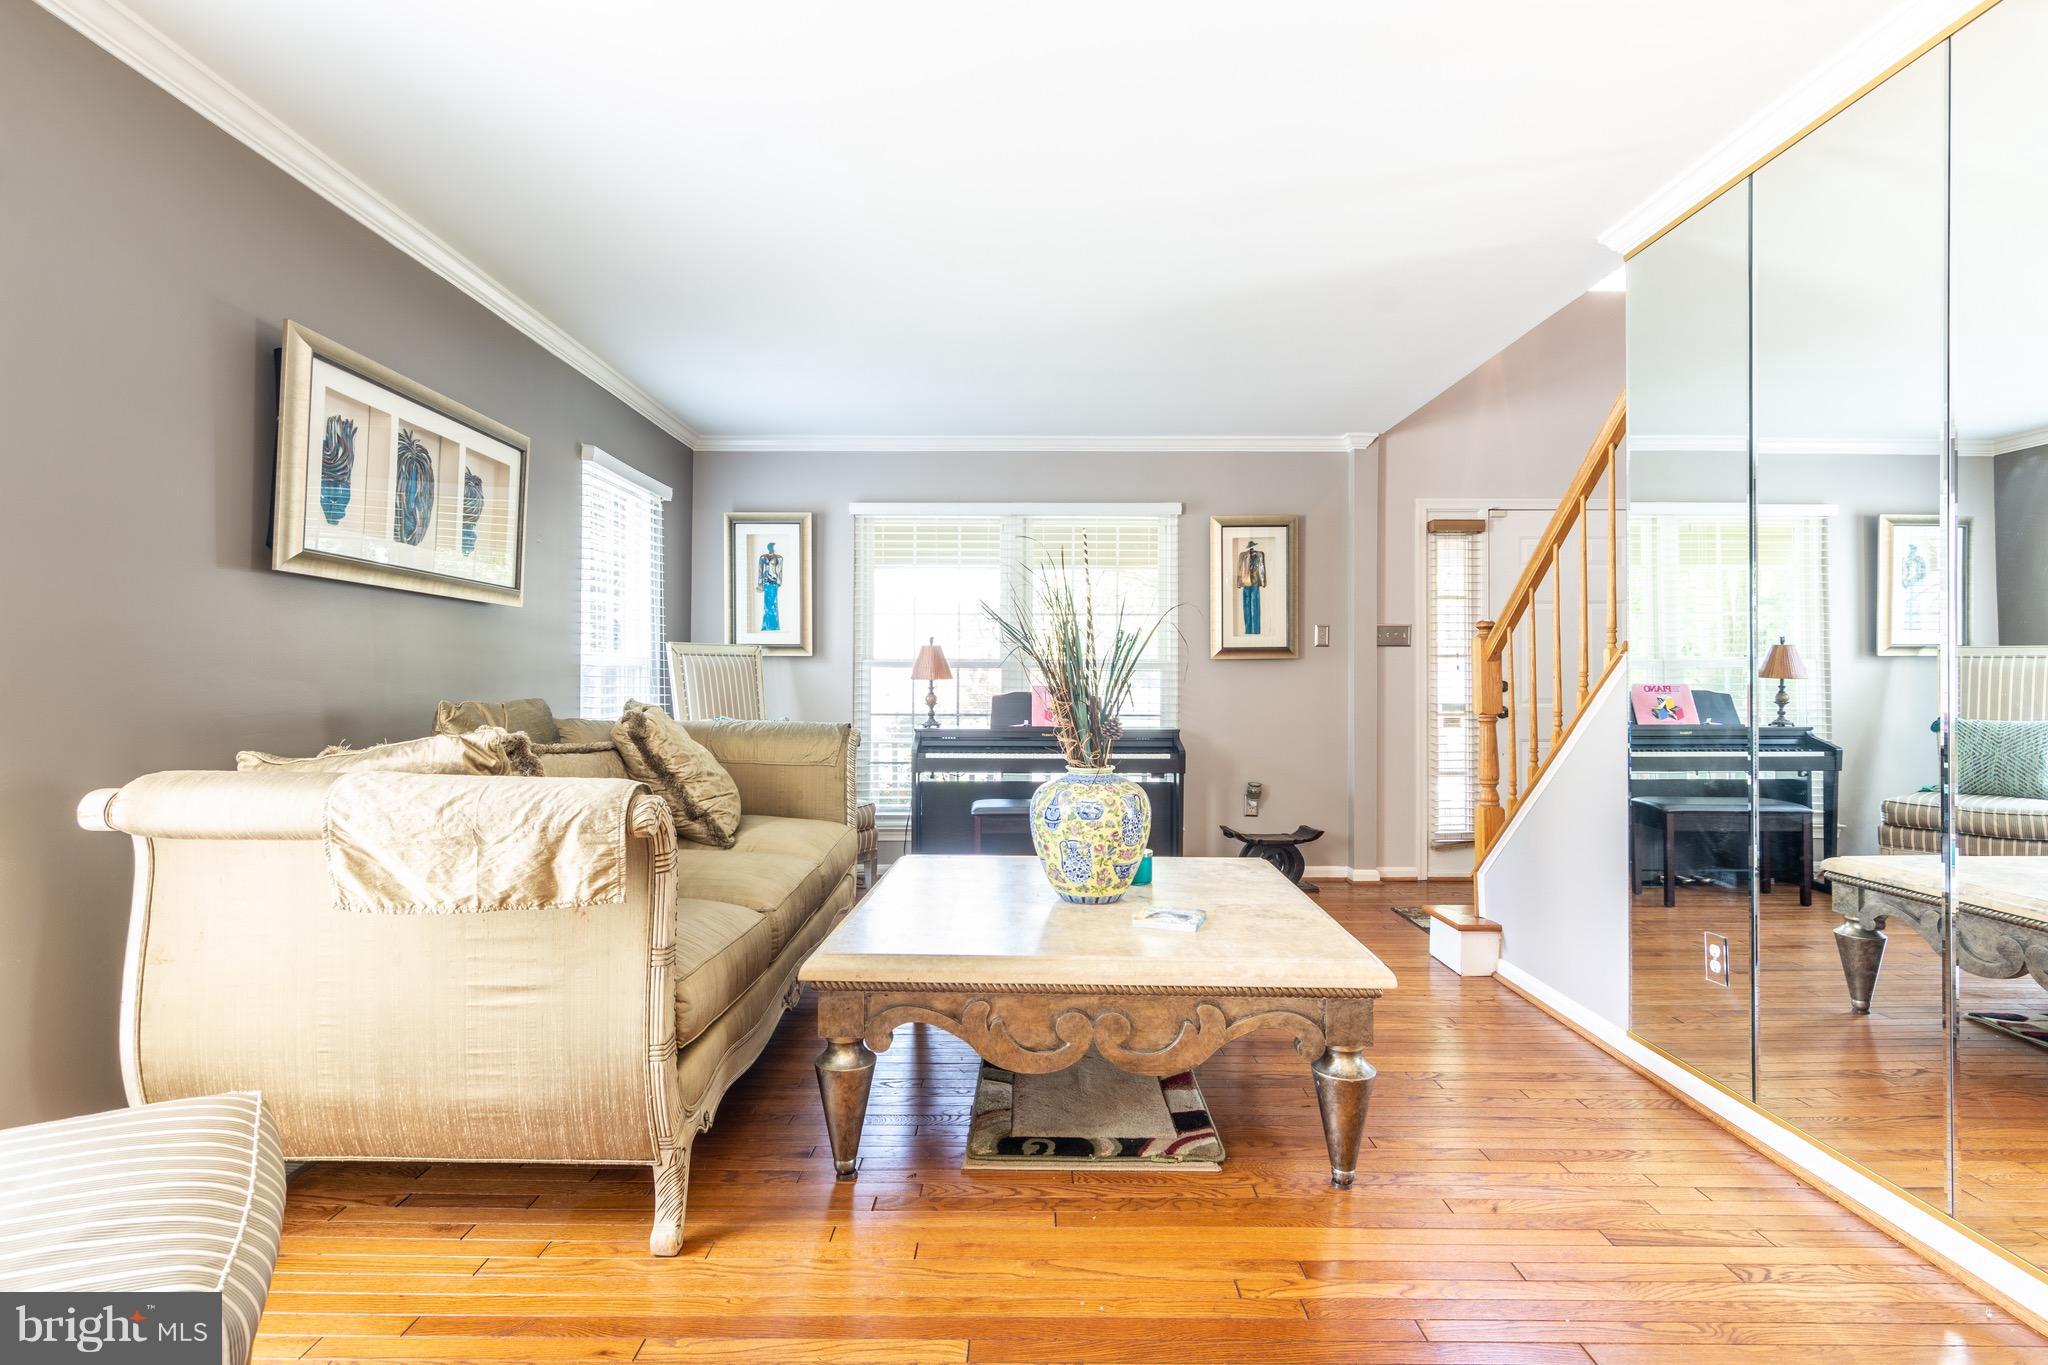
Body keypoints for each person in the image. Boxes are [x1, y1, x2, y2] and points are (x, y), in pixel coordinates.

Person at [1236, 538, 1267, 635]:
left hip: (1255, 583)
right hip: (1245, 583)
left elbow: (1262, 568)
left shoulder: (1260, 554)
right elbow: (1240, 569)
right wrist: (1238, 583)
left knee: (1255, 606)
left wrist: (1263, 582)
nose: (1251, 549)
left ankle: (1256, 631)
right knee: (1246, 606)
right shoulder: (1242, 555)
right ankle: (1248, 631)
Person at [757, 541, 784, 632]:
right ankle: (766, 626)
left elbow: (780, 571)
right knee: (767, 605)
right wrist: (760, 582)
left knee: (773, 604)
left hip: (773, 583)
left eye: (772, 547)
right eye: (770, 547)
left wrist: (779, 582)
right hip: (766, 583)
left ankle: (773, 626)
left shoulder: (779, 558)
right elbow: (760, 570)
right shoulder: (763, 557)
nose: (771, 549)